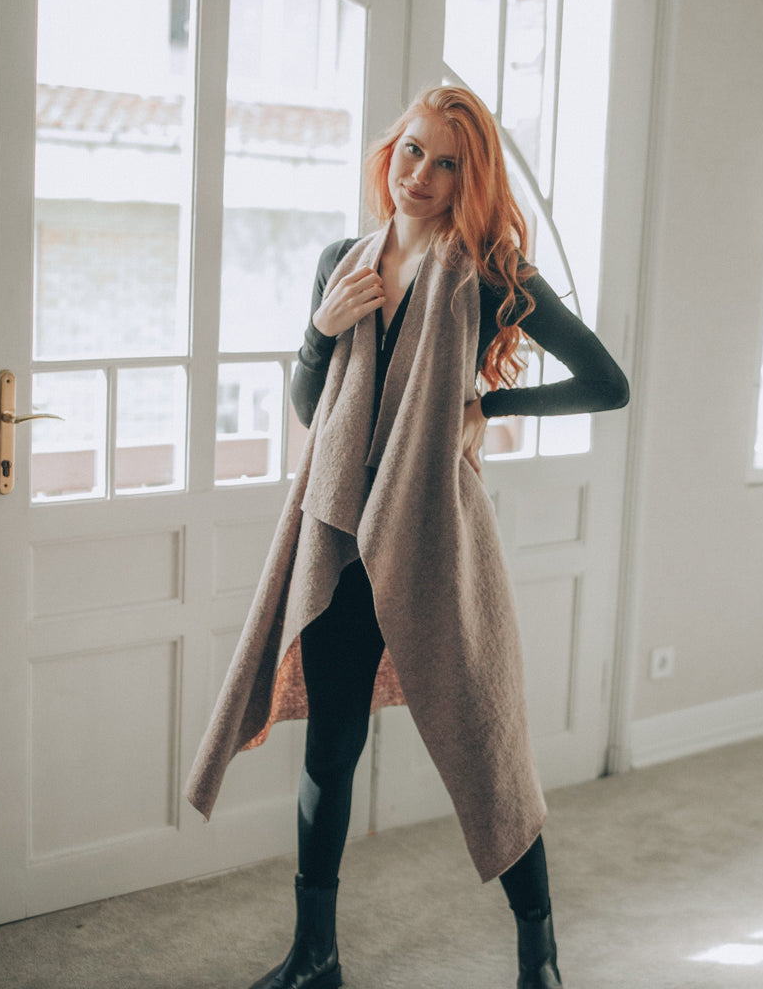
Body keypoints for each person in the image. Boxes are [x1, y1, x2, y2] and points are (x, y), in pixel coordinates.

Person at [186, 85, 629, 989]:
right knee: (330, 748)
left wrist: (488, 403)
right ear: (390, 153)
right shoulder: (341, 263)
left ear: (471, 178)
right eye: (412, 152)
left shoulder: (490, 273)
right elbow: (312, 409)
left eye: (446, 163)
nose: (419, 175)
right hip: (339, 537)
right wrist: (320, 331)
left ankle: (539, 960)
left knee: (488, 745)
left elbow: (606, 381)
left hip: (435, 538)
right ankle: (315, 956)